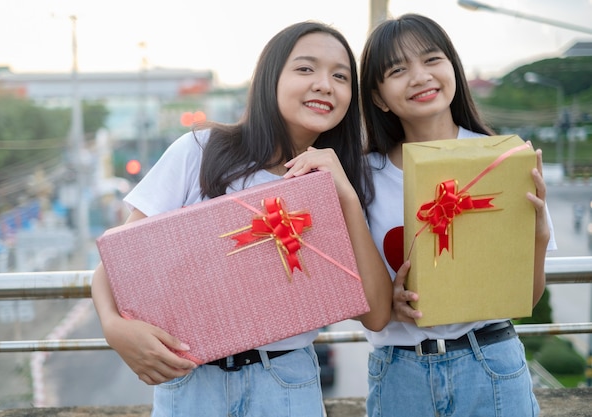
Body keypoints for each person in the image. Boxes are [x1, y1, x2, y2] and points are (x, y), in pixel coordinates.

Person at [91, 21, 393, 417]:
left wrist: (347, 196)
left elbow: (375, 314)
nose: (325, 84)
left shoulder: (342, 180)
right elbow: (119, 261)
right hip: (193, 381)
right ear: (270, 78)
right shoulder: (201, 151)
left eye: (340, 76)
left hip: (286, 381)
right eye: (305, 69)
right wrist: (114, 329)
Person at [358, 13, 558, 417]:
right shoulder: (362, 179)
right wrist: (386, 300)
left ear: (452, 68)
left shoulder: (502, 159)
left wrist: (534, 238)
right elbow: (360, 300)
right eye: (398, 69)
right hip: (400, 373)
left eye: (432, 59)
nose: (419, 76)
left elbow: (528, 298)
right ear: (378, 96)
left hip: (490, 363)